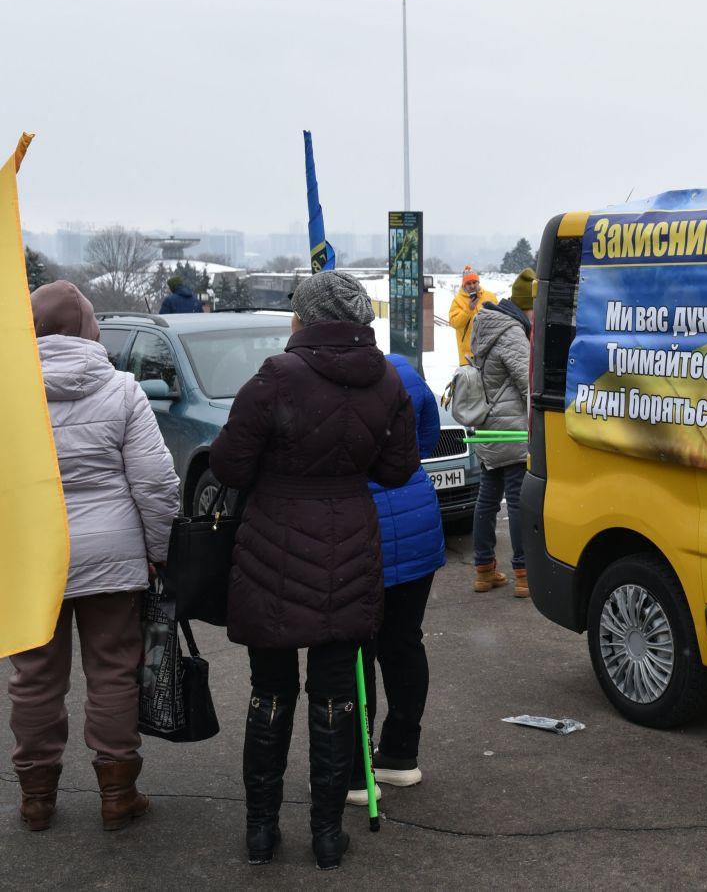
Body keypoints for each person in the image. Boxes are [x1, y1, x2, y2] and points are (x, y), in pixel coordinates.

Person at [209, 270, 419, 870]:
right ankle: (327, 835)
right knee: (334, 696)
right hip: (349, 546)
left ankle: (260, 831)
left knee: (269, 690)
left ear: (303, 316)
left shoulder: (275, 376)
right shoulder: (385, 379)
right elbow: (399, 468)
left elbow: (228, 465)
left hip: (272, 543)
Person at [10, 282, 180, 833]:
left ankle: (36, 799)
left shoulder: (10, 391)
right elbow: (155, 483)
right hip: (111, 555)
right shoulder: (122, 390)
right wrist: (155, 551)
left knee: (34, 678)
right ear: (87, 325)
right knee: (112, 671)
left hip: (34, 559)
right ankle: (117, 794)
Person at [345, 352, 446, 806]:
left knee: (352, 650)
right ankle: (401, 754)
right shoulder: (402, 370)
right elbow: (425, 441)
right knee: (405, 641)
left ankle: (353, 765)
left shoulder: (323, 376)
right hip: (416, 519)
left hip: (358, 527)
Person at [468, 298, 530, 597]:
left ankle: (484, 570)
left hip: (487, 429)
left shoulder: (482, 328)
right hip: (513, 430)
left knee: (487, 500)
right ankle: (524, 573)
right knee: (517, 501)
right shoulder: (511, 332)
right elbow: (529, 384)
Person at [447, 266, 498, 366]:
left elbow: (499, 318)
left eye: (474, 282)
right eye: (468, 283)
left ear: (478, 282)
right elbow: (454, 323)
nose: (472, 286)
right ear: (464, 285)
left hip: (489, 352)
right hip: (467, 355)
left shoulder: (490, 296)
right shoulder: (458, 300)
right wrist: (468, 310)